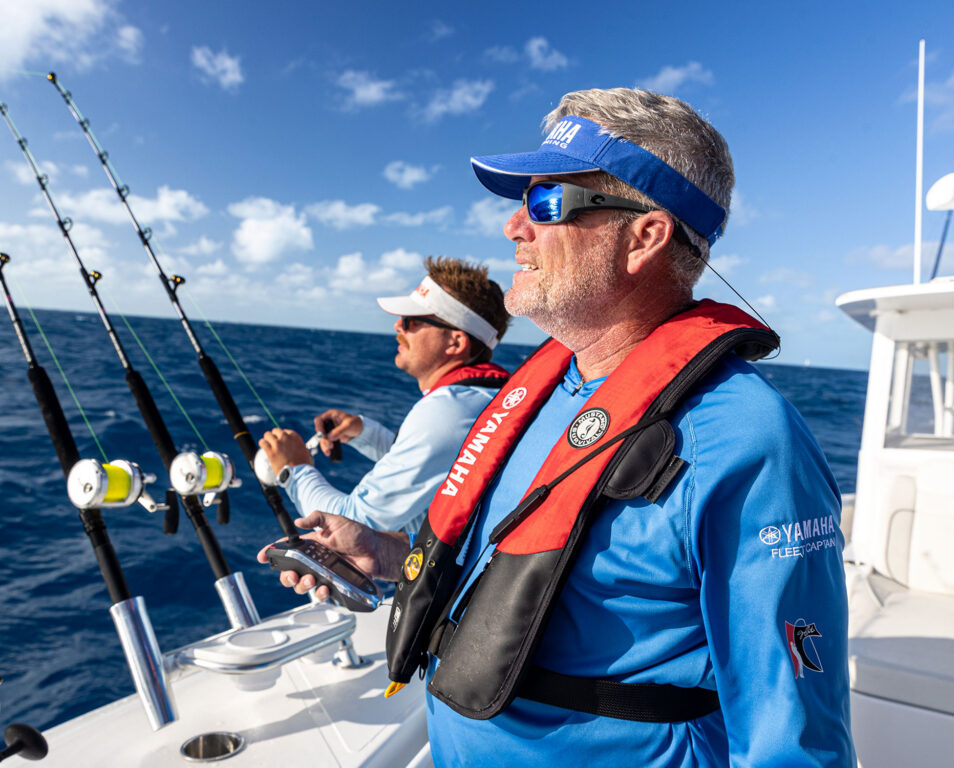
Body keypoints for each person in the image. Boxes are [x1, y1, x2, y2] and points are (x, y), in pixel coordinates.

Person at [260, 89, 854, 767]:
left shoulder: (746, 438)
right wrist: (388, 557)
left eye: (546, 204)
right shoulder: (538, 394)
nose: (515, 228)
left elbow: (796, 742)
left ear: (644, 236)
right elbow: (523, 583)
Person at [258, 256, 511, 537]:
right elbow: (434, 468)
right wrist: (363, 432)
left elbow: (353, 523)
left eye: (412, 321)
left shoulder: (447, 412)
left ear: (455, 342)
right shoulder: (481, 398)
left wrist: (294, 470)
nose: (398, 327)